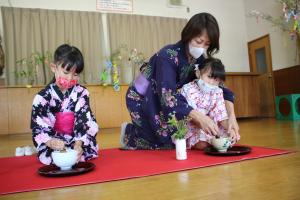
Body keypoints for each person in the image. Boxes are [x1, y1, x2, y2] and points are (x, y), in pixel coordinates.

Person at [121, 12, 239, 150]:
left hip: (165, 95)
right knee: (160, 141)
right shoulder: (167, 56)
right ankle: (129, 134)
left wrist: (232, 116)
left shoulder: (199, 59)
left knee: (174, 140)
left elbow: (218, 87)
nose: (202, 48)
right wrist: (199, 117)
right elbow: (168, 97)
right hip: (141, 96)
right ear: (188, 35)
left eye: (207, 44)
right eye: (198, 42)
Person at [31, 44, 99, 165]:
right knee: (49, 157)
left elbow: (84, 119)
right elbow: (38, 124)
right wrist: (50, 141)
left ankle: (78, 149)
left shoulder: (82, 93)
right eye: (66, 72)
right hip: (55, 140)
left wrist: (78, 144)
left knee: (84, 153)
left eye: (75, 74)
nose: (70, 78)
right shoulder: (42, 97)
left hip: (76, 138)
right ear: (54, 68)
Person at [180, 58, 240, 149]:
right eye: (209, 77)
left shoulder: (217, 91)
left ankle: (215, 142)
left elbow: (221, 116)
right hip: (194, 124)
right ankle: (211, 142)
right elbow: (192, 117)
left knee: (230, 136)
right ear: (198, 73)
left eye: (216, 80)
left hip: (212, 125)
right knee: (202, 142)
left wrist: (230, 129)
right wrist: (211, 131)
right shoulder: (188, 89)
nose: (211, 82)